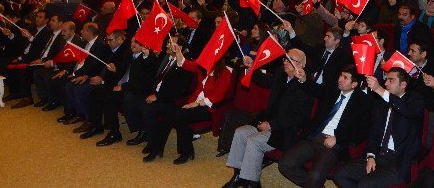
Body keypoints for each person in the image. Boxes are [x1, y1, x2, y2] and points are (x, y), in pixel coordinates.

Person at [223, 49, 314, 188]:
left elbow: (298, 117)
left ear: (301, 65)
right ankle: (238, 176)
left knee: (253, 141)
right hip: (267, 121)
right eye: (285, 58)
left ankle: (253, 183)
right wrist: (252, 66)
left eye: (291, 60)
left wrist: (272, 125)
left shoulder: (306, 86)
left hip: (285, 131)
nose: (285, 62)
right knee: (240, 132)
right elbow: (264, 81)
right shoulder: (281, 74)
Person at [278, 65, 372, 188]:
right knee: (285, 164)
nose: (340, 79)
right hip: (314, 136)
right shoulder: (333, 90)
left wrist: (337, 138)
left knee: (315, 176)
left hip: (334, 145)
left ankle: (314, 183)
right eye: (340, 75)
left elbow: (362, 131)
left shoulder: (363, 102)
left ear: (354, 84)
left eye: (345, 78)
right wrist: (304, 78)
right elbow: (314, 89)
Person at [333, 68, 425, 187]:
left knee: (365, 184)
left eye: (391, 80)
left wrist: (379, 89)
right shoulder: (382, 102)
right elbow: (374, 132)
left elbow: (406, 111)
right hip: (378, 154)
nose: (386, 83)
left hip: (398, 159)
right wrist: (371, 155)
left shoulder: (415, 100)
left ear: (403, 85)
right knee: (340, 174)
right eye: (386, 79)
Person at [144, 42, 232, 164]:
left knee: (180, 115)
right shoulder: (203, 66)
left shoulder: (225, 73)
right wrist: (178, 52)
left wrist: (197, 103)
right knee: (168, 112)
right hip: (193, 103)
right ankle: (157, 149)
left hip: (209, 108)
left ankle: (186, 152)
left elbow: (218, 96)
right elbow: (184, 64)